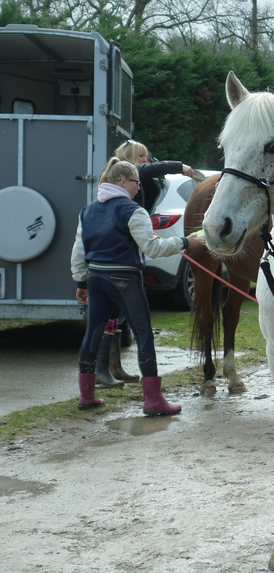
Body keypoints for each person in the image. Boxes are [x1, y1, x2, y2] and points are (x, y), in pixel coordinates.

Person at [71, 157, 190, 415]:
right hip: (126, 279)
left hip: (97, 279)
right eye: (136, 182)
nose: (139, 187)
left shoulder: (87, 210)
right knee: (144, 334)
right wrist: (184, 242)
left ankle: (86, 396)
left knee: (92, 332)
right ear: (122, 181)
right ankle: (153, 400)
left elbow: (79, 252)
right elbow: (153, 248)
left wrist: (81, 282)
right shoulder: (134, 210)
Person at [93, 140, 198, 386]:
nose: (145, 160)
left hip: (122, 253)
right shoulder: (131, 174)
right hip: (122, 259)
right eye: (141, 156)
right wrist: (180, 166)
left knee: (115, 314)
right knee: (126, 319)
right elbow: (153, 169)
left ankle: (112, 367)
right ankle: (106, 371)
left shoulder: (122, 184)